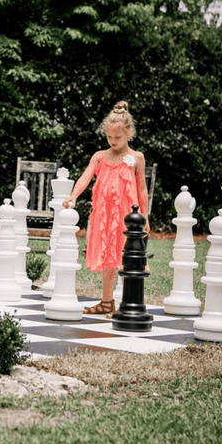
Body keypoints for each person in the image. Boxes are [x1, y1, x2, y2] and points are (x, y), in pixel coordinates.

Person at [62, 101, 149, 315]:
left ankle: (129, 303)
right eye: (109, 137)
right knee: (108, 256)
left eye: (117, 137)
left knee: (126, 256)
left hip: (127, 216)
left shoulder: (136, 158)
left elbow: (142, 190)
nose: (113, 141)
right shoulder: (100, 156)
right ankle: (107, 301)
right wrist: (73, 195)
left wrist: (144, 216)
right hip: (104, 214)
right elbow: (85, 176)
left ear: (129, 133)